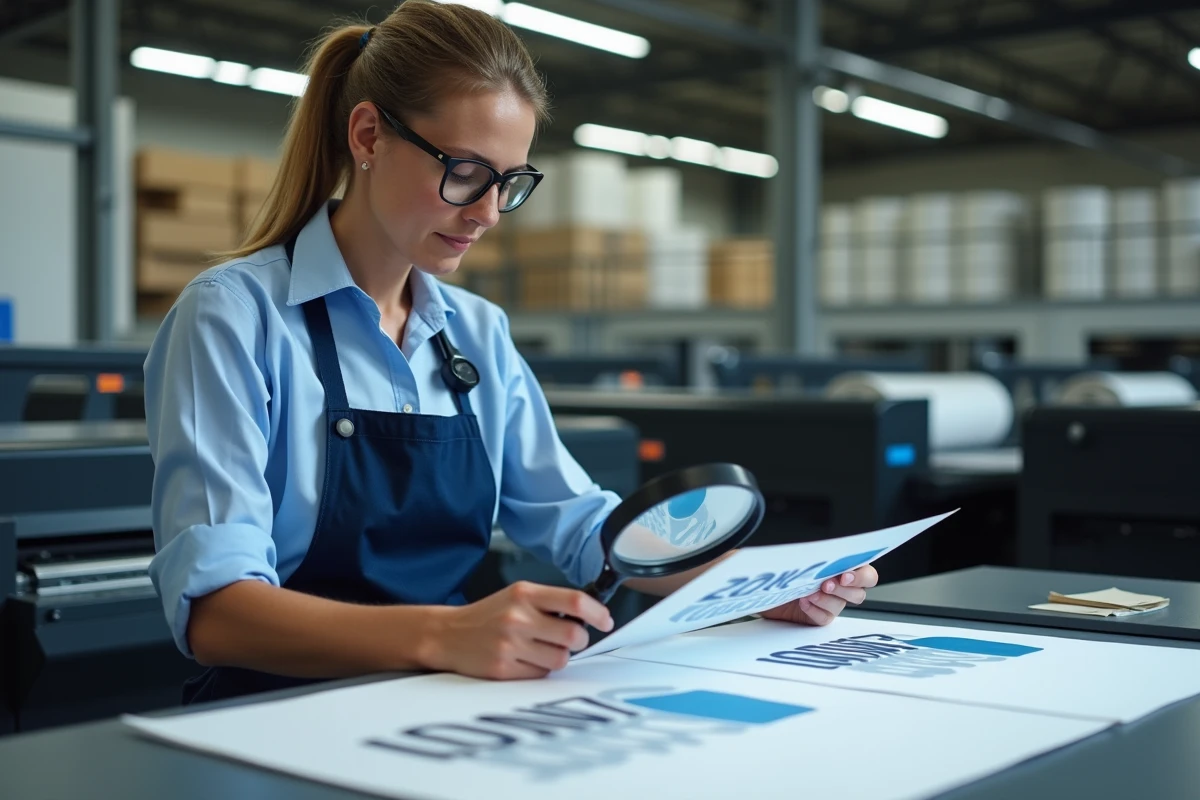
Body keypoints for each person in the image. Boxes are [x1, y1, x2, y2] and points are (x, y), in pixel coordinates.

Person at [144, 0, 878, 704]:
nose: (489, 213)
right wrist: (447, 634)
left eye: (510, 183)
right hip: (276, 716)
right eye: (464, 173)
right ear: (367, 137)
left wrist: (756, 588)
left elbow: (585, 527)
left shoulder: (478, 333)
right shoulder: (234, 317)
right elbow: (217, 613)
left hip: (445, 706)